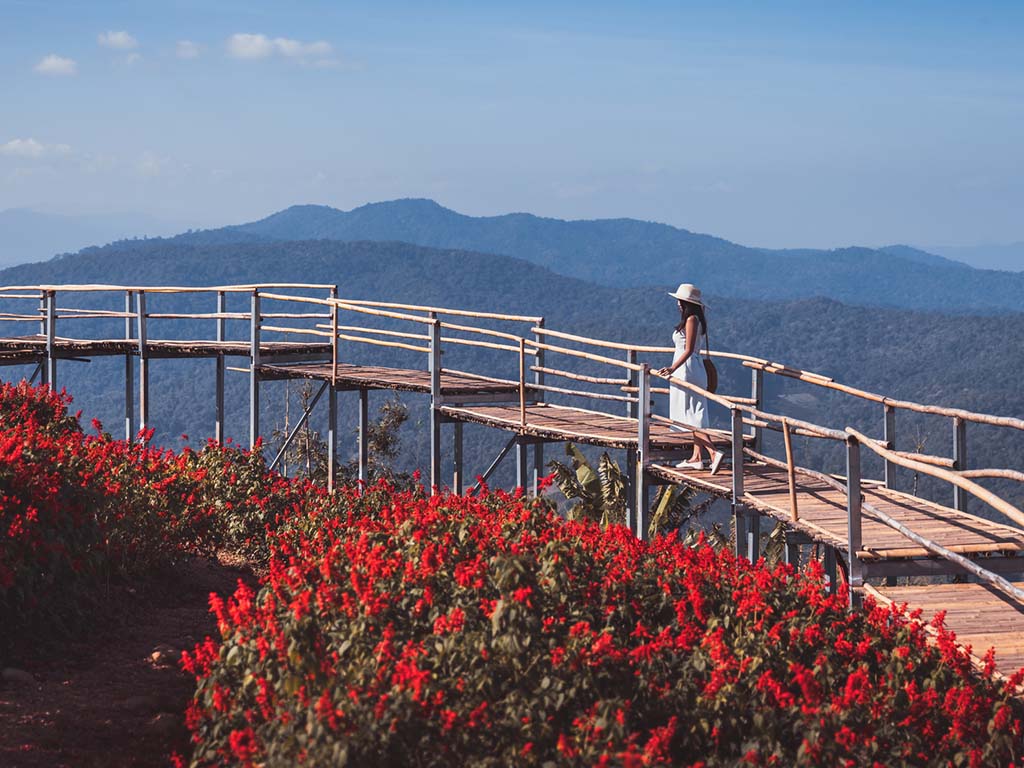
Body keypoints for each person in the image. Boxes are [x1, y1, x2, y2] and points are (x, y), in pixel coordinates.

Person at [655, 283, 725, 473]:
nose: (678, 304)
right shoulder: (694, 318)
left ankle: (713, 452)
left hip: (688, 368)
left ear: (685, 303)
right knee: (694, 411)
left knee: (693, 412)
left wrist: (672, 367)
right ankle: (696, 457)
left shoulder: (692, 319)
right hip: (691, 367)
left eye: (680, 301)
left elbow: (688, 349)